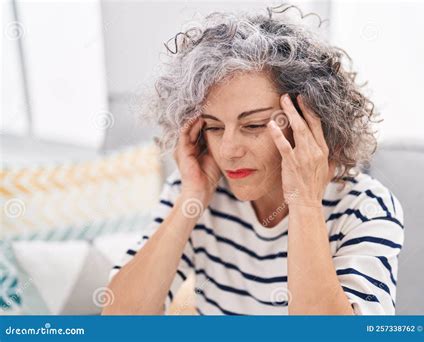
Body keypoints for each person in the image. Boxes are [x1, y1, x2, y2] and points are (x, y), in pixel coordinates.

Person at [102, 5, 404, 315]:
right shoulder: (196, 192)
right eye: (214, 127)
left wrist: (305, 204)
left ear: (308, 123)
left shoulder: (365, 207)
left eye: (254, 125)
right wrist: (191, 199)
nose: (228, 150)